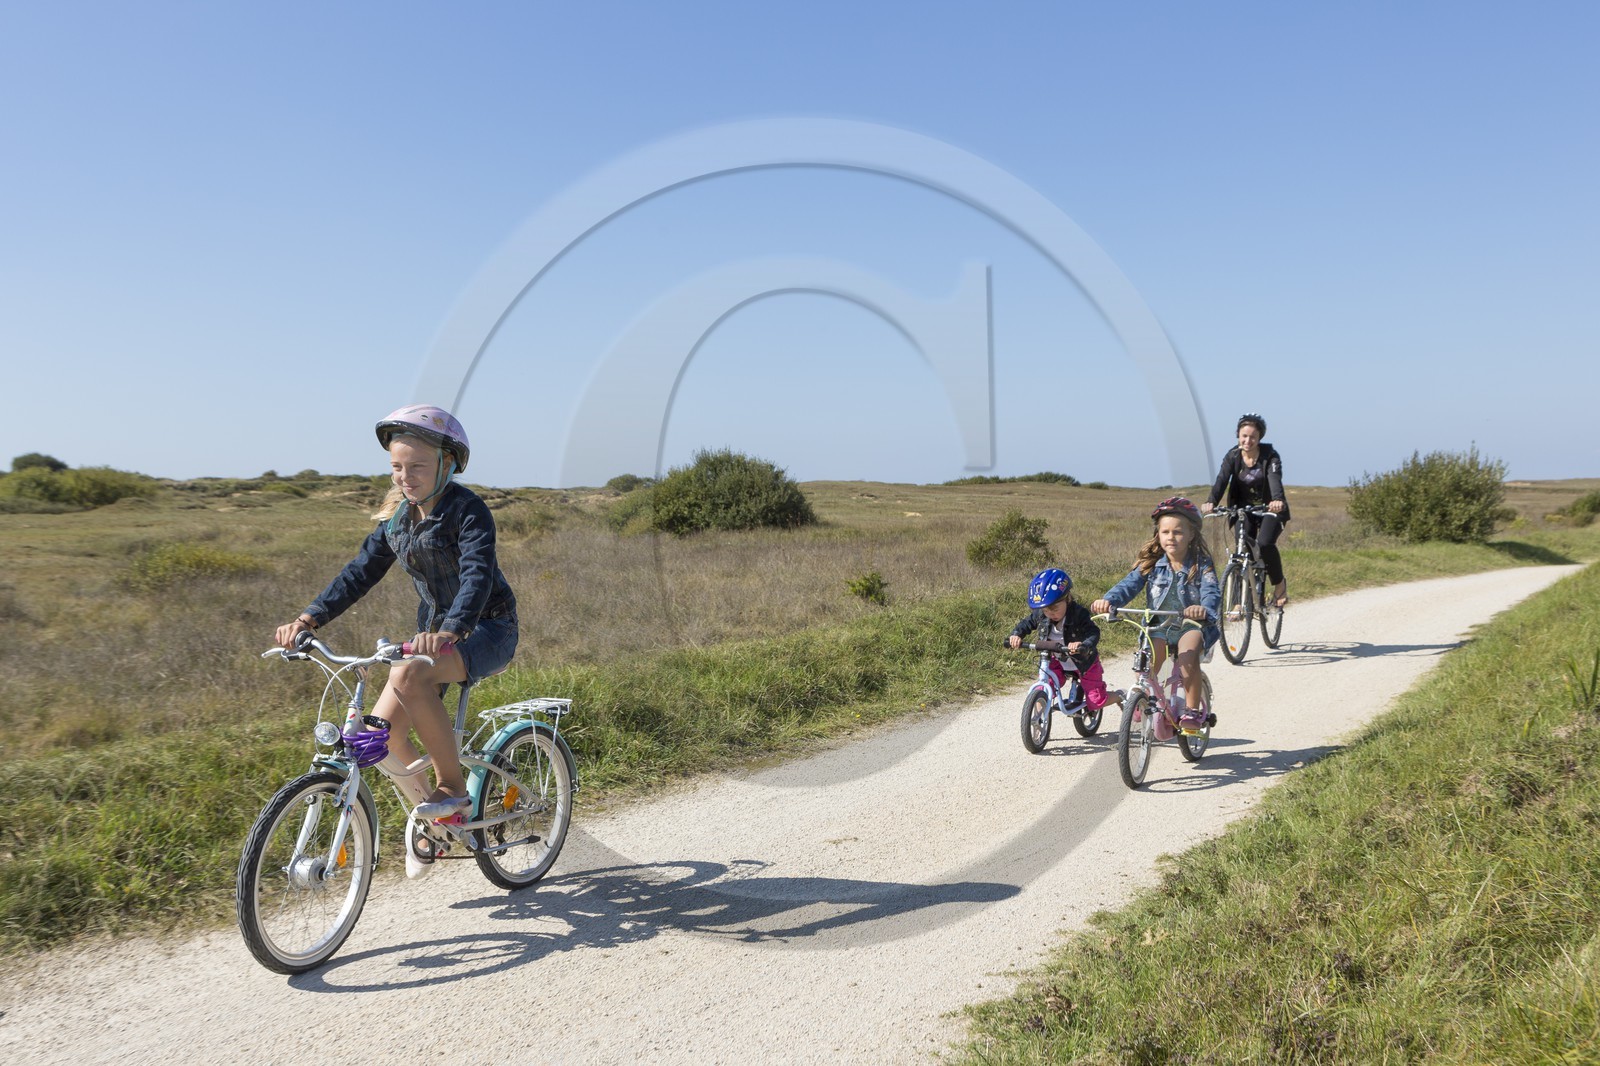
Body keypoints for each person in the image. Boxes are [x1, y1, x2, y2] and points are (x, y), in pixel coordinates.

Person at [274, 405, 519, 838]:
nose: (405, 477)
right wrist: (309, 618)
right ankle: (441, 825)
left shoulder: (468, 511)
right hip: (433, 638)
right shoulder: (397, 519)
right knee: (376, 738)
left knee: (408, 678)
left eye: (417, 466)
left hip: (485, 629)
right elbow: (359, 572)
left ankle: (453, 789)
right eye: (396, 467)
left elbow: (478, 575)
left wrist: (451, 630)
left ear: (448, 464)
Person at [1090, 497, 1219, 727]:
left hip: (1191, 625)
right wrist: (1108, 601)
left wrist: (1203, 609)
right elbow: (1128, 585)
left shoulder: (1202, 565)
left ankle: (1191, 711)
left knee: (1188, 656)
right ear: (1158, 534)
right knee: (1147, 661)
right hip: (1159, 624)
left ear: (1191, 535)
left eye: (1178, 532)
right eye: (1166, 531)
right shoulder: (1151, 563)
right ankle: (1144, 699)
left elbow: (1211, 592)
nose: (1171, 537)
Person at [1202, 412, 1290, 608]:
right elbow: (1221, 480)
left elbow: (1275, 480)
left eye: (1252, 437)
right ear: (1238, 435)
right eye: (1244, 436)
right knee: (1242, 552)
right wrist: (1211, 502)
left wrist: (1276, 500)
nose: (1247, 440)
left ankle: (1279, 585)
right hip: (1243, 509)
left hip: (1270, 509)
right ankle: (1238, 603)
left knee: (1265, 544)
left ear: (1259, 438)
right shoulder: (1232, 456)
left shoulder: (1270, 457)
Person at [1008, 567, 1116, 711]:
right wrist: (1016, 634)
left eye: (1054, 608)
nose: (1050, 613)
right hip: (1057, 661)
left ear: (1067, 598)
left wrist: (1083, 644)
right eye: (1046, 610)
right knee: (1044, 688)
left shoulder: (1079, 613)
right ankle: (1037, 720)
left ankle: (1120, 696)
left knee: (1096, 702)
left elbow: (1093, 632)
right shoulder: (1042, 614)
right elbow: (1026, 623)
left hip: (1084, 662)